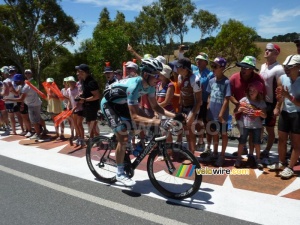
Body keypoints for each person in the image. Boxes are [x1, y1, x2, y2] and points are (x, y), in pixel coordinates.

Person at [100, 58, 182, 186]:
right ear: (145, 74)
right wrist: (159, 122)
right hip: (109, 104)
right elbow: (135, 117)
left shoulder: (150, 87)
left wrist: (176, 116)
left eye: (159, 75)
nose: (158, 79)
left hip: (122, 103)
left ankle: (125, 149)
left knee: (143, 123)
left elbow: (156, 107)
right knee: (124, 137)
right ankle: (120, 173)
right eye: (156, 75)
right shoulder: (134, 87)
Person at [267, 55, 300, 179]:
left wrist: (288, 96)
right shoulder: (282, 78)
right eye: (285, 66)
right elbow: (280, 95)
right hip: (285, 112)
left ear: (298, 67)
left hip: (298, 114)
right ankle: (282, 162)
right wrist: (277, 104)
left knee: (296, 143)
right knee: (281, 139)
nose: (286, 69)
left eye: (290, 67)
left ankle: (290, 168)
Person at [229, 56, 266, 158]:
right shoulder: (234, 78)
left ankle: (251, 155)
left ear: (252, 69)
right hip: (240, 110)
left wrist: (257, 110)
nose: (243, 69)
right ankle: (243, 150)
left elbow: (262, 95)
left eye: (246, 68)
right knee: (242, 133)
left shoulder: (258, 79)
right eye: (242, 67)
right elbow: (229, 95)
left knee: (253, 134)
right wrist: (238, 104)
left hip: (254, 112)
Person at [260, 43, 285, 159]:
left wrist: (277, 106)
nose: (266, 52)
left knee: (269, 129)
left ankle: (267, 150)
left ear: (276, 53)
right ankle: (255, 148)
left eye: (269, 50)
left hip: (271, 103)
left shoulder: (279, 69)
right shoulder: (262, 66)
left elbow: (281, 89)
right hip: (259, 102)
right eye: (266, 49)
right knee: (257, 126)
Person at [234, 81, 267, 170]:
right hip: (245, 125)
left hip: (257, 126)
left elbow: (265, 115)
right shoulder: (244, 100)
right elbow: (235, 111)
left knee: (257, 143)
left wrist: (259, 113)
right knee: (241, 142)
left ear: (259, 92)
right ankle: (238, 159)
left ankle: (258, 159)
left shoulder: (261, 102)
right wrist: (239, 109)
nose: (251, 92)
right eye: (250, 90)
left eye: (254, 90)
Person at [206, 57, 231, 167]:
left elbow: (227, 98)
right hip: (212, 113)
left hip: (222, 115)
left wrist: (221, 114)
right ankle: (215, 152)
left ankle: (222, 155)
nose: (213, 68)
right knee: (214, 133)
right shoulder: (211, 81)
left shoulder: (226, 82)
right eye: (212, 66)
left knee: (224, 134)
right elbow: (209, 95)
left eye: (215, 66)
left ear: (222, 68)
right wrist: (208, 109)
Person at [4, 74, 43, 140]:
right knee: (37, 119)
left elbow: (21, 99)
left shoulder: (25, 87)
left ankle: (38, 134)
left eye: (16, 81)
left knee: (34, 121)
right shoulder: (26, 85)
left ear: (20, 80)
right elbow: (17, 94)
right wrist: (12, 89)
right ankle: (41, 131)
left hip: (32, 105)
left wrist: (8, 99)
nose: (15, 82)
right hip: (35, 103)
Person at [177, 58, 202, 159]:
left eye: (178, 66)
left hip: (193, 107)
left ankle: (192, 154)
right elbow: (181, 93)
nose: (176, 68)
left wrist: (192, 115)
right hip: (184, 107)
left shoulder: (194, 79)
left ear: (185, 68)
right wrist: (180, 108)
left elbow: (199, 100)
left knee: (191, 130)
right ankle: (190, 152)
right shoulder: (180, 76)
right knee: (186, 130)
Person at [193, 52, 214, 155]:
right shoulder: (194, 71)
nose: (198, 62)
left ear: (206, 62)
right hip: (195, 101)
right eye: (197, 60)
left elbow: (212, 90)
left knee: (205, 123)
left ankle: (207, 145)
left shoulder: (210, 74)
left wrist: (209, 103)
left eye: (201, 60)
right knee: (196, 122)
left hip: (205, 101)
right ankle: (200, 140)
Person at [75, 64, 100, 139]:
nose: (77, 73)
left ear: (83, 72)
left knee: (92, 123)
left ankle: (96, 139)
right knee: (89, 123)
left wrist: (85, 99)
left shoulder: (91, 82)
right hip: (87, 105)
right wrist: (80, 96)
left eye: (79, 71)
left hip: (92, 106)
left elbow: (97, 96)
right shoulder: (84, 81)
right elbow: (86, 92)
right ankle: (93, 138)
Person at [65, 76, 84, 147]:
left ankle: (82, 138)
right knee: (75, 124)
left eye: (72, 82)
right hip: (73, 109)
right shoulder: (68, 90)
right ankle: (79, 137)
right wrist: (68, 107)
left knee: (79, 124)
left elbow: (80, 99)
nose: (71, 83)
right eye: (70, 82)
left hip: (80, 108)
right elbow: (70, 99)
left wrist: (75, 107)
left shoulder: (78, 89)